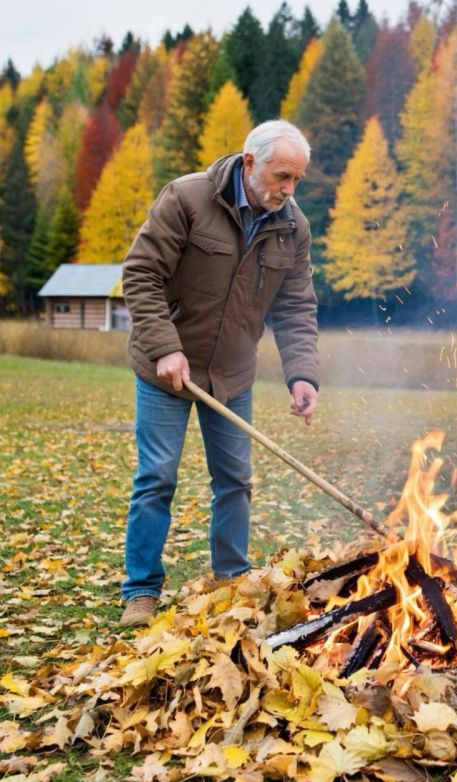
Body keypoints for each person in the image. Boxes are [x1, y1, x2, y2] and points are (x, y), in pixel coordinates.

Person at [119, 120, 319, 626]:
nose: (289, 190)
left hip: (232, 373)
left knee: (234, 479)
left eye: (297, 179)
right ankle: (141, 591)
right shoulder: (188, 198)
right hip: (166, 368)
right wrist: (166, 347)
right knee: (157, 477)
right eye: (282, 176)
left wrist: (302, 375)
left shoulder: (293, 227)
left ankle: (231, 582)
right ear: (250, 163)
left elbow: (295, 307)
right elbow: (141, 274)